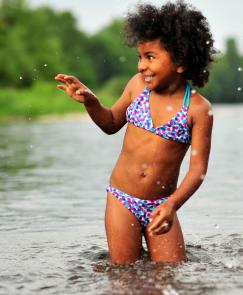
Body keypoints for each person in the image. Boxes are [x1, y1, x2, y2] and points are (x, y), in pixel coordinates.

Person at [55, 1, 216, 264]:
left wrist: (172, 205)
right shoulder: (137, 87)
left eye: (150, 57)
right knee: (123, 275)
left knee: (170, 275)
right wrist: (92, 103)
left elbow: (198, 170)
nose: (142, 65)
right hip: (122, 200)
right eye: (140, 57)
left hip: (162, 205)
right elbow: (109, 123)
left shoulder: (198, 110)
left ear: (181, 61)